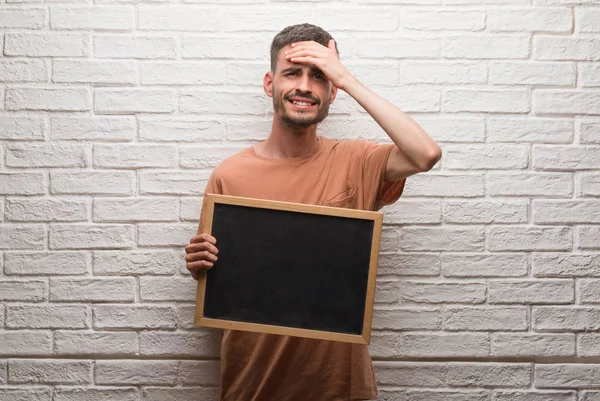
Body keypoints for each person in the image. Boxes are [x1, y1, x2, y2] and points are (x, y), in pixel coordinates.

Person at [184, 23, 442, 401]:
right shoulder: (230, 174)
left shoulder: (357, 160)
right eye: (293, 73)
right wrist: (201, 264)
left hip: (341, 388)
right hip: (253, 384)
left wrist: (348, 78)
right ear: (270, 83)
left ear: (333, 91)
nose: (304, 86)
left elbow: (426, 154)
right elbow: (224, 280)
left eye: (319, 76)